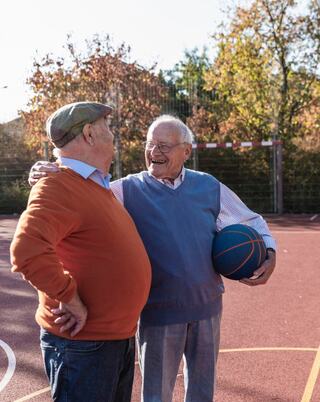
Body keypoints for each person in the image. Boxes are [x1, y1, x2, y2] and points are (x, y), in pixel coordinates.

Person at [30, 114, 276, 402]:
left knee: (202, 392)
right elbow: (78, 191)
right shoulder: (124, 190)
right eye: (150, 144)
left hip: (208, 308)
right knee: (156, 395)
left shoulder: (208, 186)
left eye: (164, 146)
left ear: (186, 151)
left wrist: (269, 253)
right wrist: (48, 171)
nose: (154, 152)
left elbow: (251, 220)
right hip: (158, 314)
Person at [11, 101, 151, 402]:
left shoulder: (96, 186)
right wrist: (69, 297)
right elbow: (26, 250)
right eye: (108, 128)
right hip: (83, 346)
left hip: (111, 340)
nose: (113, 136)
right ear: (89, 134)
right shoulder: (58, 185)